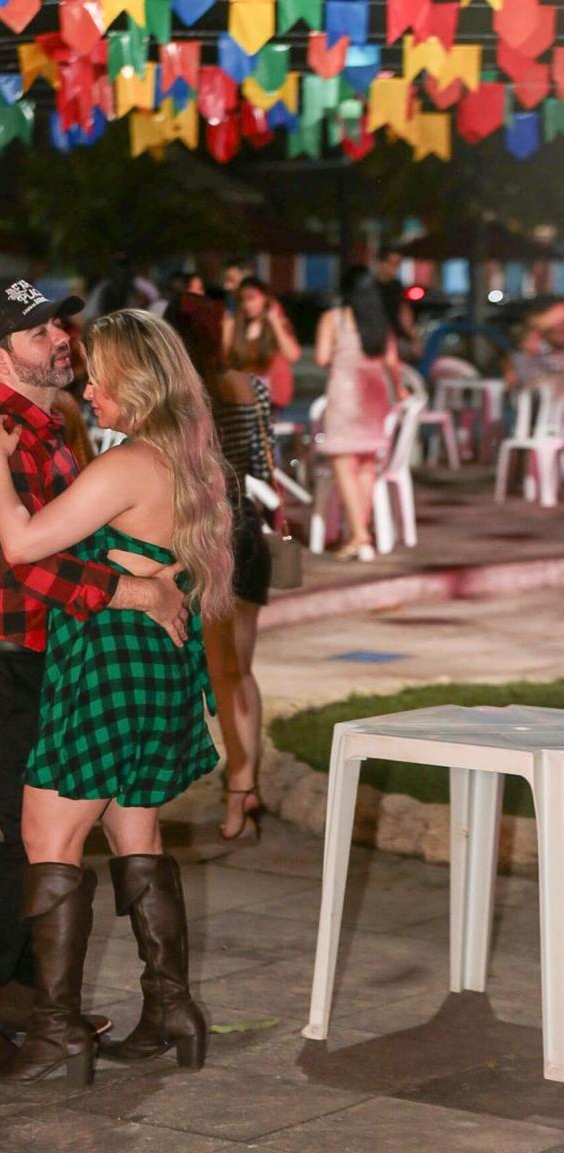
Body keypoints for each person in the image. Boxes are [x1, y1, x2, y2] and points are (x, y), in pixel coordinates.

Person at [0, 281, 191, 1073]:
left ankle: (22, 993)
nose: (61, 338)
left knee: (54, 837)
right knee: (28, 843)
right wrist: (132, 591)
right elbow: (23, 564)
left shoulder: (51, 429)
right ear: (0, 358)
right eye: (38, 333)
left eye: (57, 324)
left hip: (51, 659)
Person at [0, 308, 232, 1085]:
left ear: (135, 380)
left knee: (47, 837)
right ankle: (170, 1008)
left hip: (107, 666)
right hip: (159, 667)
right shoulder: (191, 461)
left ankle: (56, 1029)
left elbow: (22, 545)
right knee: (134, 830)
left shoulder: (126, 466)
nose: (86, 389)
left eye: (98, 377)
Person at [167, 292, 272, 842]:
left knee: (221, 672)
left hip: (209, 535)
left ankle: (239, 786)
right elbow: (263, 467)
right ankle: (248, 783)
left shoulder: (181, 394)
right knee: (241, 670)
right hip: (249, 530)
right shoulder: (251, 388)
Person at [315, 266, 403, 562]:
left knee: (343, 463)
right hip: (374, 396)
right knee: (366, 466)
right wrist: (400, 389)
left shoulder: (333, 318)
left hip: (346, 396)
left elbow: (322, 358)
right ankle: (360, 534)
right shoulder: (379, 321)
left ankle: (359, 536)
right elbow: (392, 362)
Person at [223, 276, 300, 411]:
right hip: (242, 398)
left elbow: (293, 355)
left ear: (265, 298)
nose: (247, 305)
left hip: (271, 399)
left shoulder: (277, 325)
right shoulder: (234, 326)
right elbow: (224, 361)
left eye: (252, 298)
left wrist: (276, 322)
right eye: (243, 300)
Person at [375, 247, 418, 361]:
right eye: (392, 263)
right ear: (381, 263)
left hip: (397, 338)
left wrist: (413, 338)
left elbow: (404, 313)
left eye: (398, 264)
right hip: (374, 339)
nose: (395, 268)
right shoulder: (369, 287)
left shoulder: (397, 287)